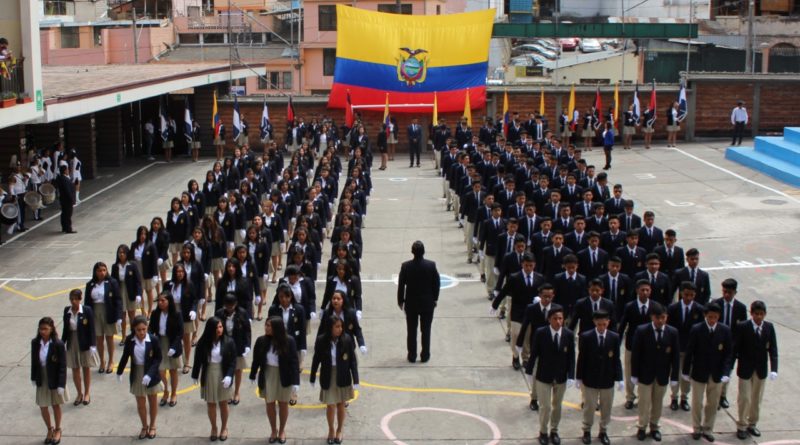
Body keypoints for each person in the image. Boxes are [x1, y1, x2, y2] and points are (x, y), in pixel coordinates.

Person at [682, 303, 734, 442]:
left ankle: (708, 428)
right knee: (697, 402)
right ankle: (696, 428)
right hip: (699, 372)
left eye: (715, 317)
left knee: (713, 403)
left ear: (719, 317)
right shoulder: (697, 329)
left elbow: (728, 354)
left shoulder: (725, 330)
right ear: (705, 315)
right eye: (710, 317)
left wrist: (726, 372)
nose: (712, 320)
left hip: (716, 373)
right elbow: (690, 351)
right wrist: (686, 371)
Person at [524, 305, 575, 445]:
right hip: (543, 375)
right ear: (549, 319)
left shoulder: (568, 334)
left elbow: (571, 356)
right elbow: (534, 353)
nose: (558, 322)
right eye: (555, 319)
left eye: (560, 318)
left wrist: (571, 375)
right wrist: (529, 371)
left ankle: (554, 430)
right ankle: (543, 431)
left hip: (560, 376)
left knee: (557, 405)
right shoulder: (541, 333)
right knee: (545, 406)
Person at [630, 302, 680, 442]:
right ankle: (642, 427)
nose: (660, 321)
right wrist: (634, 374)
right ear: (652, 317)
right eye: (658, 318)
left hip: (662, 375)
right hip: (645, 374)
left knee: (658, 403)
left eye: (663, 317)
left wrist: (674, 376)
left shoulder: (672, 332)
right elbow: (636, 354)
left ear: (666, 317)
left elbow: (675, 357)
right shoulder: (642, 331)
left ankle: (654, 427)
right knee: (644, 403)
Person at [250, 316, 300, 444]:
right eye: (266, 325)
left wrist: (296, 382)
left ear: (277, 328)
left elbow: (294, 362)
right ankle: (273, 430)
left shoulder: (289, 341)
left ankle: (282, 430)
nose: (266, 328)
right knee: (270, 404)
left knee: (283, 404)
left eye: (269, 326)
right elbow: (256, 360)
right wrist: (253, 374)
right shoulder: (261, 341)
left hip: (284, 375)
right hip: (268, 374)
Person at [310, 316, 359, 445]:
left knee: (341, 404)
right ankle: (331, 429)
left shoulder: (347, 339)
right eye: (337, 326)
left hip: (342, 375)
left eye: (341, 326)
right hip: (328, 374)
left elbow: (352, 361)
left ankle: (340, 429)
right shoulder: (321, 340)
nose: (340, 329)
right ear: (330, 328)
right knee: (330, 405)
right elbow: (316, 359)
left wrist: (356, 379)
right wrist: (312, 376)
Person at [576, 310, 622, 445]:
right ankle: (587, 430)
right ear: (594, 322)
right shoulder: (586, 336)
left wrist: (619, 378)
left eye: (604, 324)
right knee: (589, 407)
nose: (602, 327)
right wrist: (579, 377)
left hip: (607, 378)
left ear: (608, 322)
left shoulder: (614, 337)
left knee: (606, 407)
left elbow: (616, 359)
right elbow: (582, 358)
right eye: (599, 324)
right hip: (590, 378)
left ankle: (603, 431)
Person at [734, 300, 778, 440]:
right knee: (745, 398)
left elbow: (773, 349)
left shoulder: (769, 328)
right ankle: (741, 424)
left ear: (764, 314)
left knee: (756, 398)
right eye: (756, 314)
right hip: (746, 368)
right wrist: (728, 367)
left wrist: (774, 368)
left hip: (760, 369)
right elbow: (736, 347)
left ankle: (752, 423)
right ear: (751, 313)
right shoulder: (743, 327)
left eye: (761, 314)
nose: (758, 317)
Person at [116, 315, 162, 440]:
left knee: (152, 401)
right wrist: (119, 372)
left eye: (144, 329)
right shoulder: (130, 341)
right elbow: (125, 356)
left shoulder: (153, 340)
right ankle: (144, 426)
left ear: (147, 328)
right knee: (141, 403)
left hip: (150, 373)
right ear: (134, 330)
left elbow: (158, 359)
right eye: (138, 330)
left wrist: (150, 374)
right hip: (137, 372)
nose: (141, 332)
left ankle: (152, 425)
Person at [192, 316, 237, 441]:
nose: (220, 329)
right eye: (217, 327)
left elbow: (233, 361)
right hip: (209, 373)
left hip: (223, 373)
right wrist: (195, 374)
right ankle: (214, 427)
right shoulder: (203, 343)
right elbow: (198, 360)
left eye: (221, 326)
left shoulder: (229, 342)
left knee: (223, 403)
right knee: (211, 403)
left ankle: (224, 427)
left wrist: (229, 375)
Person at [397, 240, 441, 363]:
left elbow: (401, 285)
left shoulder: (405, 266)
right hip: (427, 303)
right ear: (423, 252)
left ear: (412, 252)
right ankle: (425, 355)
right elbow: (436, 284)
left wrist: (400, 301)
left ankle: (412, 355)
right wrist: (435, 298)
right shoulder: (431, 265)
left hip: (411, 304)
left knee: (411, 330)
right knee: (426, 330)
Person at [667, 281, 705, 411]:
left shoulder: (700, 310)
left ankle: (684, 397)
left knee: (686, 374)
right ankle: (674, 397)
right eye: (686, 294)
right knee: (675, 373)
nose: (688, 298)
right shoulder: (673, 309)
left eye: (691, 295)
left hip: (690, 348)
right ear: (681, 293)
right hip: (676, 347)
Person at [31, 316, 68, 445]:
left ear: (51, 329)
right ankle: (49, 429)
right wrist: (33, 377)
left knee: (55, 405)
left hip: (54, 377)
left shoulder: (58, 344)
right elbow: (34, 362)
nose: (42, 331)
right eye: (41, 329)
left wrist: (61, 384)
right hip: (42, 376)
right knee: (43, 405)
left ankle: (58, 429)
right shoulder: (35, 343)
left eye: (45, 329)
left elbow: (63, 365)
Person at [84, 262, 122, 374]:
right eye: (99, 271)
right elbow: (87, 302)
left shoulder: (112, 282)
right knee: (99, 339)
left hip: (108, 311)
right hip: (95, 313)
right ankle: (102, 361)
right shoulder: (90, 284)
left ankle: (111, 361)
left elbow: (118, 300)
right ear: (95, 272)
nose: (102, 273)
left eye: (104, 270)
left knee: (109, 338)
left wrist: (119, 316)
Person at [214, 293, 252, 406]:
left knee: (238, 370)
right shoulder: (219, 313)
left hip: (238, 344)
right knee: (225, 369)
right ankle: (228, 392)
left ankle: (236, 392)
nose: (230, 307)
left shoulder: (242, 313)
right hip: (224, 345)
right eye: (227, 305)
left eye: (232, 305)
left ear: (235, 304)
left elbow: (247, 331)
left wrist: (247, 345)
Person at [63, 289, 99, 407]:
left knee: (86, 367)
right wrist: (61, 343)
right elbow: (65, 329)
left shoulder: (87, 310)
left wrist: (93, 344)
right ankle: (79, 393)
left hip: (84, 340)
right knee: (75, 368)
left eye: (75, 299)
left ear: (80, 299)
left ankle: (87, 393)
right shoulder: (66, 311)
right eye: (71, 299)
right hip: (72, 340)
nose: (73, 301)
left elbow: (92, 329)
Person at [148, 292, 183, 407]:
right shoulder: (155, 313)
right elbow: (151, 329)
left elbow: (180, 333)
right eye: (159, 300)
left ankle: (173, 393)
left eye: (163, 300)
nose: (160, 303)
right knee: (160, 369)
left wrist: (174, 346)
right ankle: (166, 391)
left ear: (169, 301)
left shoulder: (176, 314)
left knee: (173, 370)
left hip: (172, 342)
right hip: (159, 343)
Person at [53, 164, 76, 233]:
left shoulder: (61, 178)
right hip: (67, 200)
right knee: (68, 214)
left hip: (63, 199)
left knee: (64, 214)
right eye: (67, 169)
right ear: (65, 171)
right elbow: (67, 190)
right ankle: (68, 228)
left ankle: (64, 227)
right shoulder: (64, 179)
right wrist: (72, 199)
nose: (68, 171)